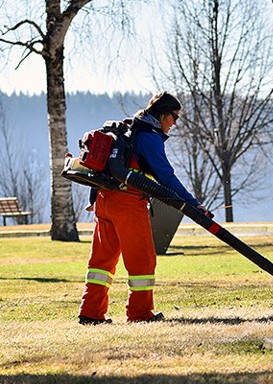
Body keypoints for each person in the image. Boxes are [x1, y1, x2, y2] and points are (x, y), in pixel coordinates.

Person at [78, 92, 210, 325]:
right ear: (162, 115)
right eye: (175, 117)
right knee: (143, 262)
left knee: (101, 262)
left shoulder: (130, 128)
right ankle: (140, 314)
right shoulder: (149, 136)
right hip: (127, 203)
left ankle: (90, 313)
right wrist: (192, 202)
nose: (175, 123)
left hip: (104, 200)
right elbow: (165, 177)